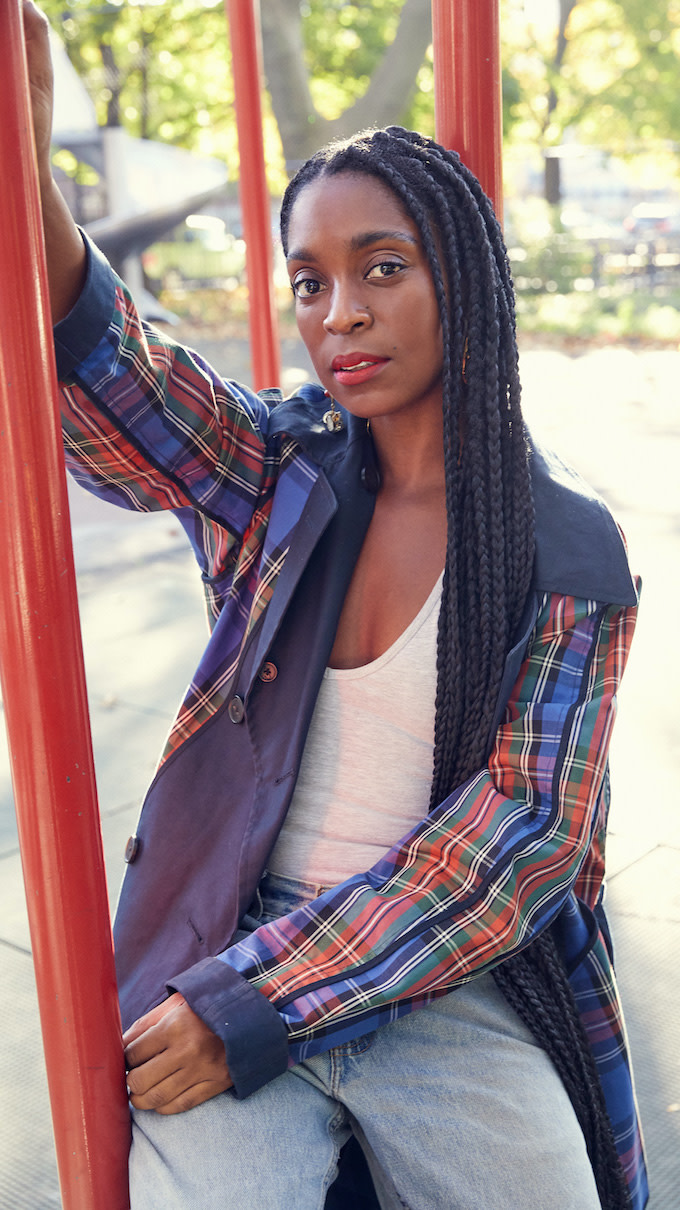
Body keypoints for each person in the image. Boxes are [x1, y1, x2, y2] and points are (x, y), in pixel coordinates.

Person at [24, 4, 647, 1208]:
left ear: (462, 279)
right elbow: (126, 392)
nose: (338, 313)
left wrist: (257, 1004)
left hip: (439, 978)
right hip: (236, 924)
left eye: (381, 267)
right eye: (308, 281)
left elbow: (518, 842)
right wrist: (32, 170)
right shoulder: (285, 473)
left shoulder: (566, 546)